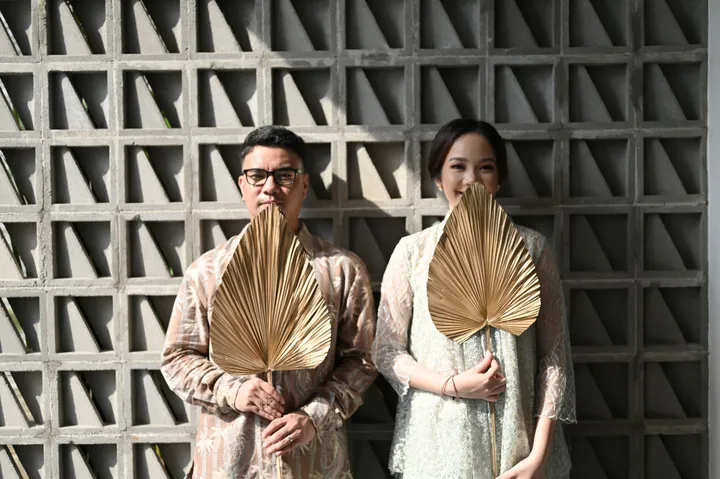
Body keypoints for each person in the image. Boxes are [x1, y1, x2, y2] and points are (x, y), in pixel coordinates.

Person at [161, 125, 378, 479]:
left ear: (304, 185)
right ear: (242, 185)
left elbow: (362, 360)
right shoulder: (207, 271)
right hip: (230, 461)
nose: (270, 187)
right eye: (257, 176)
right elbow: (177, 358)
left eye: (284, 176)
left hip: (313, 462)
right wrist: (232, 390)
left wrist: (314, 415)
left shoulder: (342, 270)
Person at [372, 118, 576, 478]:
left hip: (518, 446)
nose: (472, 179)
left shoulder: (532, 249)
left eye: (486, 167)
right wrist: (452, 385)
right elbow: (387, 351)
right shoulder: (413, 252)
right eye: (458, 167)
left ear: (499, 178)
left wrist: (539, 454)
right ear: (438, 178)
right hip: (439, 443)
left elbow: (554, 357)